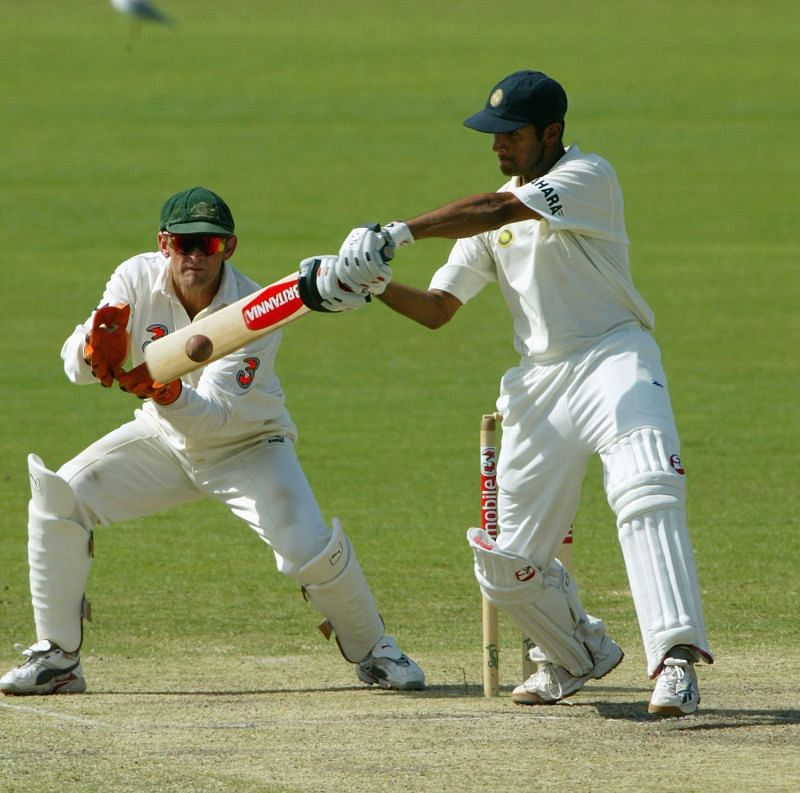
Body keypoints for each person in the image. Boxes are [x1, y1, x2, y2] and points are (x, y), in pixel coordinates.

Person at [303, 70, 713, 716]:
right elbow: (439, 307)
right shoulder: (492, 213)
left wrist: (397, 233)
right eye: (493, 135)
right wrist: (375, 284)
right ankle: (576, 653)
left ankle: (677, 660)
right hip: (539, 383)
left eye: (512, 135)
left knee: (645, 487)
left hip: (613, 354)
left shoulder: (589, 177)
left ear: (552, 134)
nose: (499, 147)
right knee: (504, 563)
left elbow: (498, 209)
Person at [1, 187, 424, 696]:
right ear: (164, 244)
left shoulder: (253, 312)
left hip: (248, 445)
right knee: (59, 495)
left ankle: (375, 649)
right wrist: (94, 347)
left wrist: (165, 390)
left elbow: (215, 421)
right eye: (185, 244)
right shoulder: (134, 277)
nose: (197, 256)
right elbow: (74, 368)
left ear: (231, 245)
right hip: (163, 438)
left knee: (308, 549)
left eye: (211, 244)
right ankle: (57, 658)